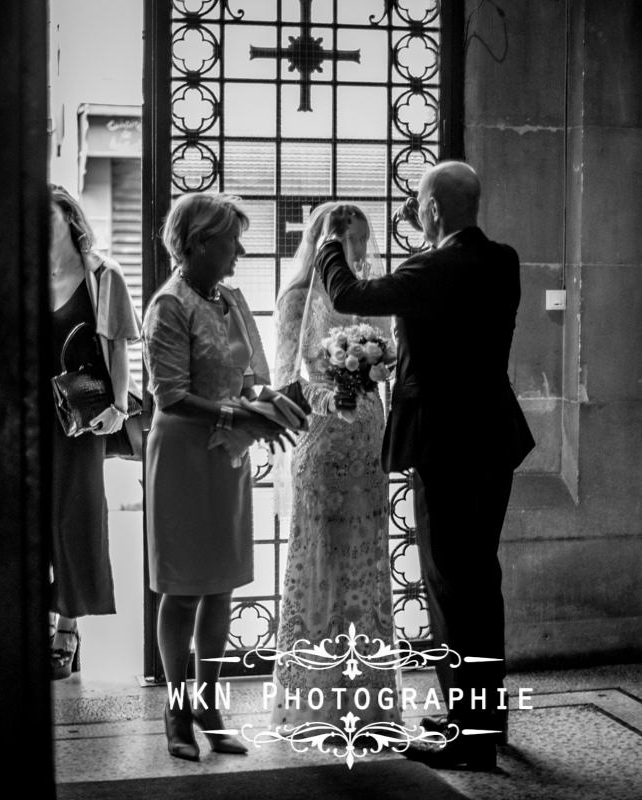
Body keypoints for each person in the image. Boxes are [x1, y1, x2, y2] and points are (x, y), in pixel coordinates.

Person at [315, 161, 535, 770]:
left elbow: (348, 295)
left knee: (449, 585)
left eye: (418, 201)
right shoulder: (502, 260)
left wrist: (331, 243)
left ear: (434, 209)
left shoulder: (432, 269)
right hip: (492, 437)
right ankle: (480, 718)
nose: (415, 209)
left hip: (446, 446)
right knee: (477, 582)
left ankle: (470, 743)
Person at [143, 192, 288, 761]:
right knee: (182, 590)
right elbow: (171, 395)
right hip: (181, 457)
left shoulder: (230, 298)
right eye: (232, 238)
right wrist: (239, 414)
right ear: (201, 241)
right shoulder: (168, 305)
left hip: (226, 454)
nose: (241, 249)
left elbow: (253, 378)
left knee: (222, 583)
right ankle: (176, 710)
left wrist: (273, 405)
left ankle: (209, 703)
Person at [270, 203, 399, 730]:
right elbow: (287, 379)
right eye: (355, 243)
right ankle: (315, 700)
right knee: (321, 562)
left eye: (366, 242)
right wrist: (332, 396)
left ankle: (364, 697)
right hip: (323, 443)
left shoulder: (370, 298)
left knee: (363, 565)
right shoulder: (298, 298)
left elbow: (390, 362)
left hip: (368, 442)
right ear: (330, 243)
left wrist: (376, 366)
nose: (363, 253)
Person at [47, 184, 141, 680]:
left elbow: (121, 344)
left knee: (76, 516)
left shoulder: (103, 275)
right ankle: (40, 617)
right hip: (31, 414)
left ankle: (68, 625)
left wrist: (120, 407)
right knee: (32, 516)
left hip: (82, 419)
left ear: (70, 220)